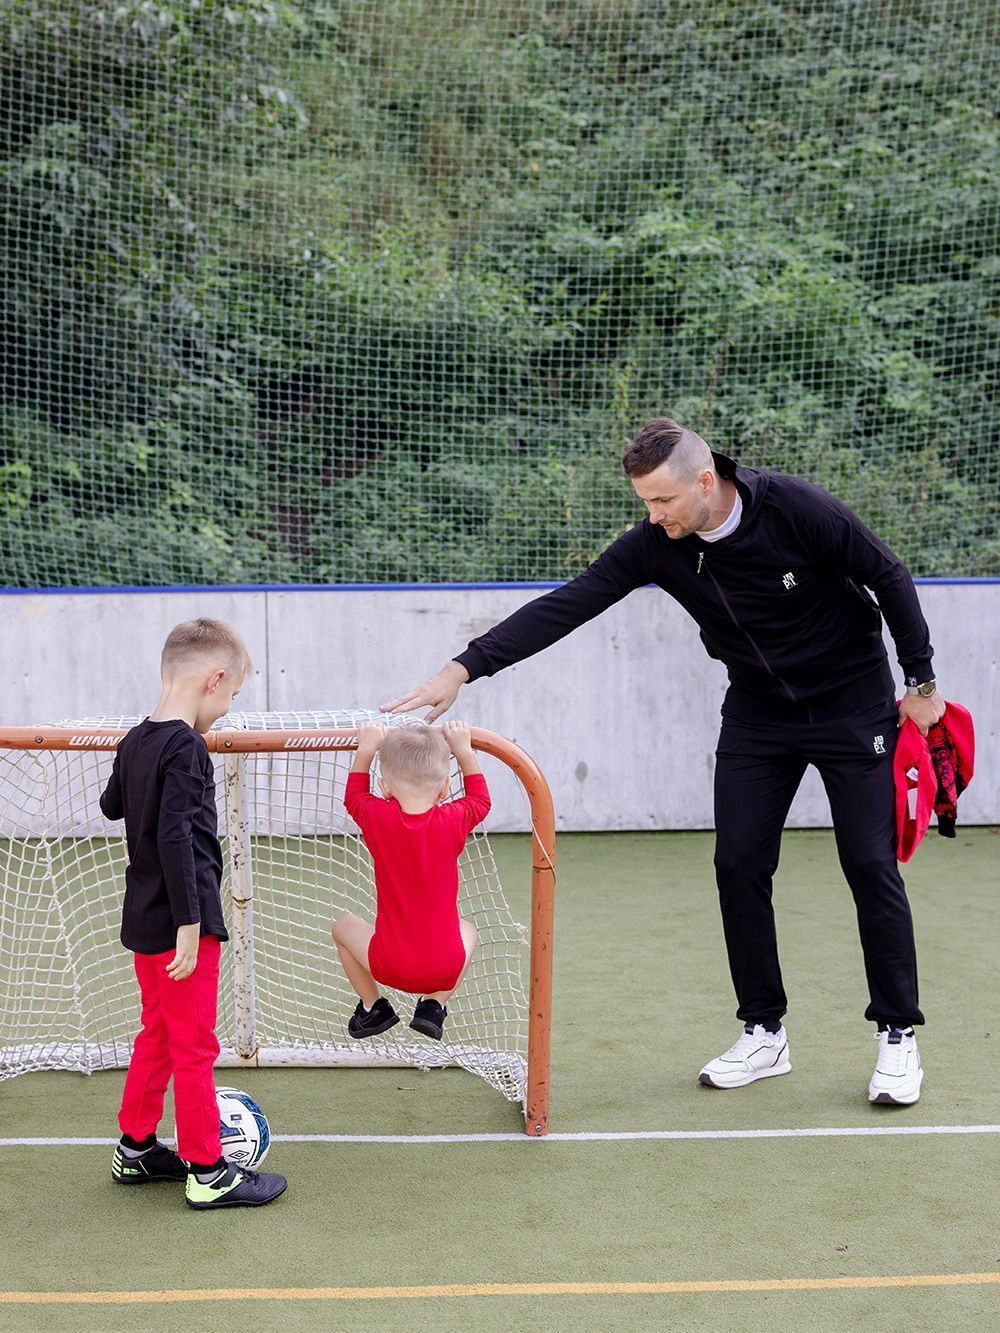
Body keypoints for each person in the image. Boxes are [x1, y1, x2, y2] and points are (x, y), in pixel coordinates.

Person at [382, 418, 946, 1105]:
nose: (653, 515)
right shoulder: (658, 544)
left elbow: (887, 573)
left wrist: (921, 683)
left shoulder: (797, 508)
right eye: (645, 502)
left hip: (853, 704)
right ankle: (764, 1031)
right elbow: (570, 603)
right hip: (758, 714)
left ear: (705, 481)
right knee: (738, 865)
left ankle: (897, 1034)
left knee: (868, 863)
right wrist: (464, 667)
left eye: (662, 500)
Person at [100, 617, 287, 1209]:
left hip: (142, 916)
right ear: (214, 679)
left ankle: (135, 1148)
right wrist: (190, 925)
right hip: (185, 922)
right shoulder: (186, 747)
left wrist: (138, 776)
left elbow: (111, 806)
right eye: (232, 695)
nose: (228, 708)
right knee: (194, 1046)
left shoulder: (137, 739)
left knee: (157, 1032)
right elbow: (176, 837)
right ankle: (208, 1172)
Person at [333, 720, 490, 1042]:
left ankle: (372, 1006)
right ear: (445, 788)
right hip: (444, 968)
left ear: (384, 787)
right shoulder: (453, 820)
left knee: (342, 926)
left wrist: (366, 748)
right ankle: (434, 1005)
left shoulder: (377, 817)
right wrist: (464, 751)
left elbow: (354, 796)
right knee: (469, 930)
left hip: (387, 965)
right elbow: (481, 801)